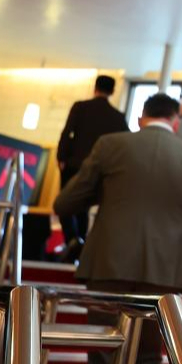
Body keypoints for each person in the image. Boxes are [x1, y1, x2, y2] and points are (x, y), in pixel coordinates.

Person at [54, 93, 182, 364]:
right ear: (175, 123)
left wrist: (105, 192)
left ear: (141, 119)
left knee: (103, 354)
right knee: (148, 359)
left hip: (107, 266)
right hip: (165, 275)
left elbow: (66, 202)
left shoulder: (110, 146)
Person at [55, 74, 129, 255]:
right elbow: (124, 142)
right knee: (84, 206)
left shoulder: (80, 107)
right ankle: (80, 241)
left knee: (65, 201)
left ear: (95, 88)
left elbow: (67, 132)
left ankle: (72, 239)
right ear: (112, 91)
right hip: (99, 168)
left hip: (74, 163)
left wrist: (61, 157)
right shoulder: (117, 117)